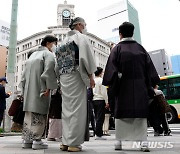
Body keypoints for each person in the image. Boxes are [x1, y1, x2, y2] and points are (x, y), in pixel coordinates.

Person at [103, 22, 160, 152]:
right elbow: (150, 70)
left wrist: (113, 81)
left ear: (120, 34)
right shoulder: (141, 49)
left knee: (121, 114)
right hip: (140, 88)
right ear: (133, 33)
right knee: (140, 115)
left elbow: (110, 72)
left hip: (122, 88)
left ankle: (119, 142)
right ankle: (143, 143)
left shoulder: (117, 49)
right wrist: (151, 84)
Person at [56, 17, 96, 152]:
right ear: (79, 25)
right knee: (77, 109)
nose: (85, 27)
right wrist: (91, 75)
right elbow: (86, 58)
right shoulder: (81, 38)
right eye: (84, 24)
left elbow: (57, 64)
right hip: (76, 75)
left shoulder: (62, 42)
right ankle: (73, 143)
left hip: (64, 77)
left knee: (66, 110)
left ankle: (65, 141)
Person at [20, 35, 58, 150]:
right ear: (48, 43)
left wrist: (23, 91)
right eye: (54, 43)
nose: (54, 46)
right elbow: (49, 71)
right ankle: (37, 140)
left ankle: (27, 140)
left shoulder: (32, 56)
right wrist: (48, 87)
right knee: (39, 114)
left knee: (29, 114)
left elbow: (23, 77)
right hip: (40, 89)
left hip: (28, 91)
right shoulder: (48, 54)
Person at [93, 67, 109, 140]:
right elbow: (104, 92)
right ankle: (98, 134)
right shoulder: (101, 80)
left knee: (96, 117)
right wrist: (107, 101)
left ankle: (96, 132)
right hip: (100, 100)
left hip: (94, 99)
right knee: (100, 117)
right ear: (100, 73)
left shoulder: (93, 80)